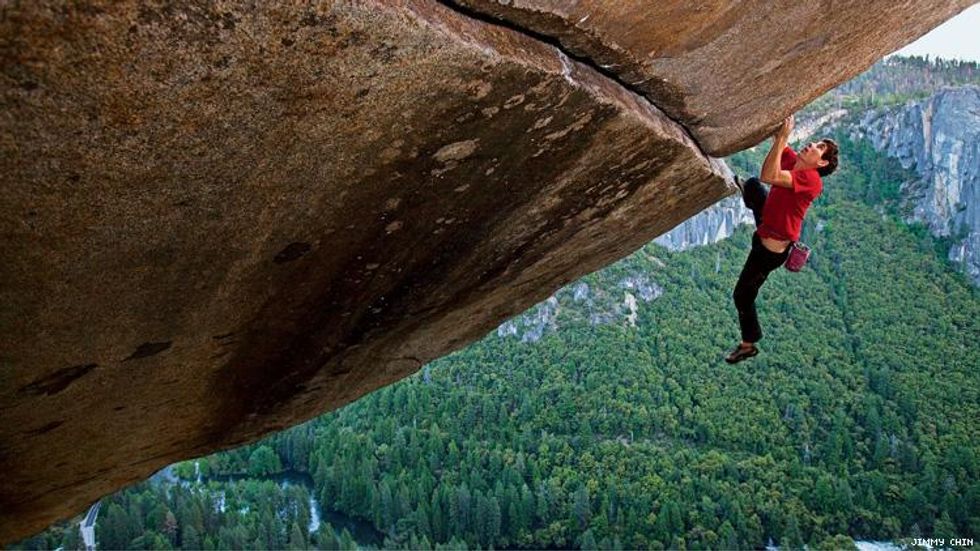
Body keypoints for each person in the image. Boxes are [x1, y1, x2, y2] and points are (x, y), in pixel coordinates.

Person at [725, 115, 839, 363]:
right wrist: (779, 129)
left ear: (821, 163)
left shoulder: (812, 181)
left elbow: (770, 174)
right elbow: (777, 145)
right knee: (754, 186)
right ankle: (750, 198)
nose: (813, 145)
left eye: (821, 148)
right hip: (767, 225)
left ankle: (748, 344)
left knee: (742, 295)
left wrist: (783, 138)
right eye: (818, 142)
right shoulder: (795, 161)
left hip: (769, 252)